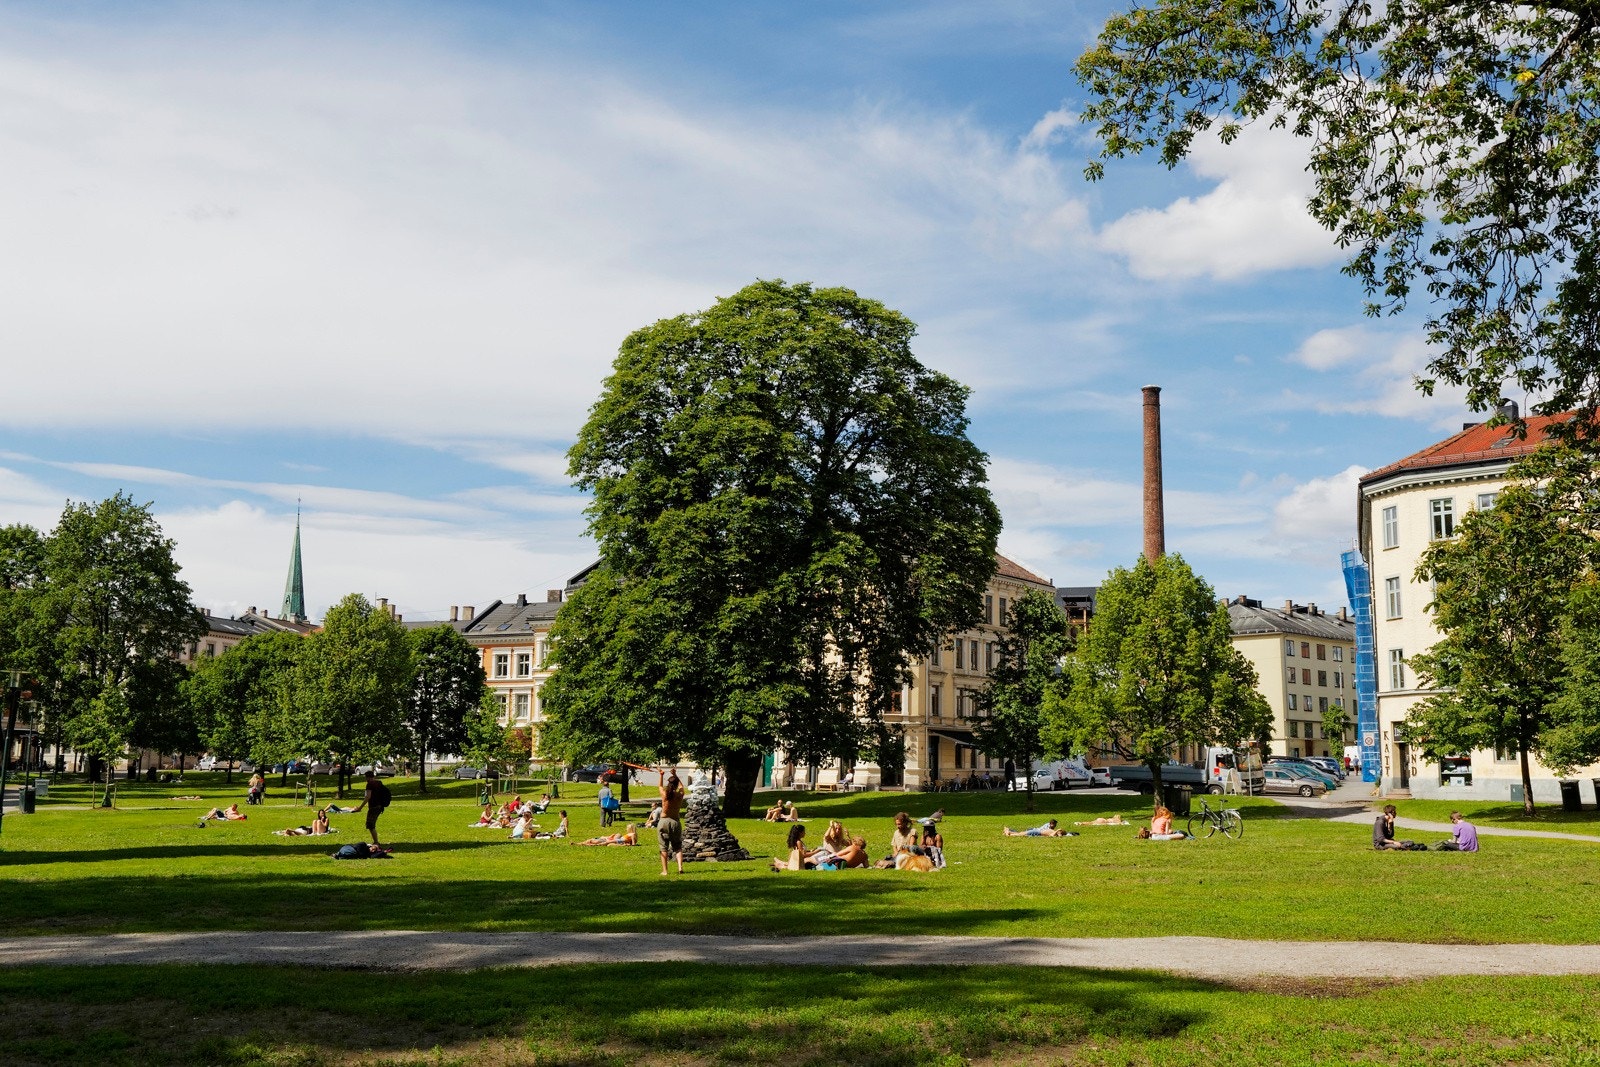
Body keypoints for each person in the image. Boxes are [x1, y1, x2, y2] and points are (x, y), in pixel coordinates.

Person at [351, 770, 391, 849]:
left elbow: (367, 797)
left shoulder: (370, 784)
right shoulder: (379, 783)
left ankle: (376, 842)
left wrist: (360, 808)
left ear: (367, 777)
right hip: (380, 806)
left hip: (374, 807)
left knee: (370, 824)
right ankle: (375, 841)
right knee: (371, 824)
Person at [658, 767, 685, 875]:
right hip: (675, 822)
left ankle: (665, 871)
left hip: (664, 821)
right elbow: (681, 787)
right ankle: (680, 868)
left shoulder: (665, 794)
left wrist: (661, 774)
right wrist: (676, 775)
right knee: (677, 846)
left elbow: (660, 786)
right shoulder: (679, 795)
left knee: (663, 847)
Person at [1003, 819, 1074, 837]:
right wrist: (1058, 831)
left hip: (1036, 832)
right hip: (1036, 831)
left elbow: (1054, 835)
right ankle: (1008, 831)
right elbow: (1053, 835)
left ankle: (1008, 831)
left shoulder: (1053, 831)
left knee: (1021, 834)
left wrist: (1058, 832)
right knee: (1020, 834)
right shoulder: (1053, 831)